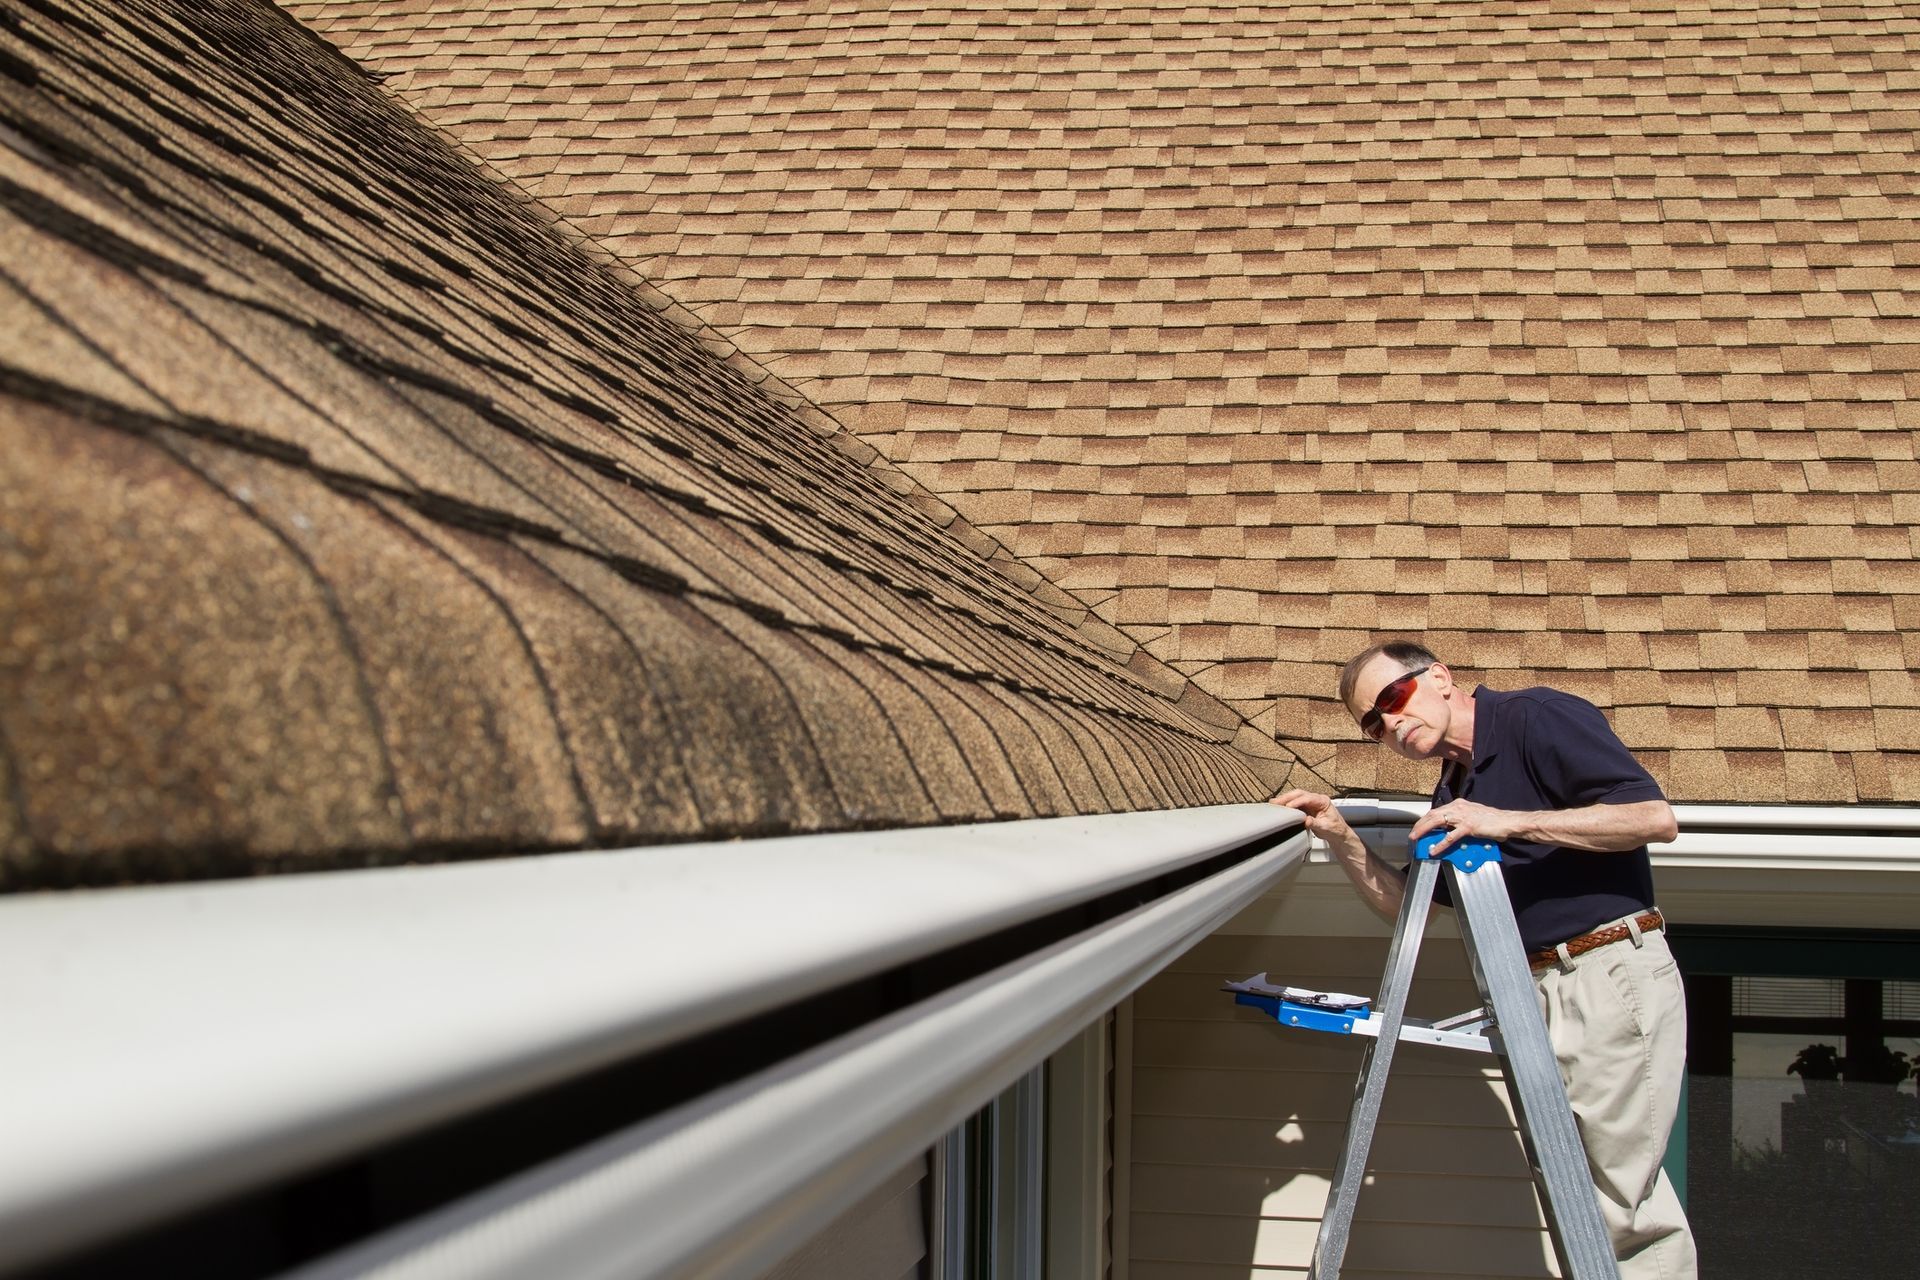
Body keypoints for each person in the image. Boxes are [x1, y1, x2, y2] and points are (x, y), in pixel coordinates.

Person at [1274, 639, 1697, 1280]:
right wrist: (1338, 833)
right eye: (1372, 722)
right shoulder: (1454, 791)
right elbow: (1413, 906)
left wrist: (1507, 822)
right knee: (1571, 1189)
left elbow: (1652, 817)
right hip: (1533, 990)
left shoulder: (1534, 719)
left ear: (1440, 677)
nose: (1389, 722)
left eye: (1393, 698)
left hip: (1604, 970)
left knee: (1620, 1204)